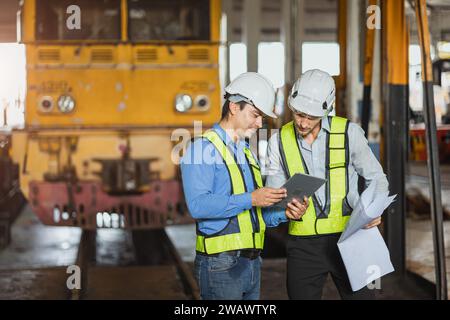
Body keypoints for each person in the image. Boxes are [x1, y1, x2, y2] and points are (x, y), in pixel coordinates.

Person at [180, 72, 308, 300]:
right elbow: (198, 206)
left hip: (251, 263)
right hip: (220, 265)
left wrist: (285, 212)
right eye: (255, 115)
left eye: (262, 118)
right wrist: (251, 198)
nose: (259, 123)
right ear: (233, 107)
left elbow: (256, 215)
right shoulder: (201, 149)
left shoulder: (246, 154)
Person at [265, 69, 389, 300]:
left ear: (326, 109)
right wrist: (285, 210)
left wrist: (375, 208)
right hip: (303, 247)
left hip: (351, 238)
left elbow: (377, 179)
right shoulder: (278, 141)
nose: (302, 122)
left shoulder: (349, 133)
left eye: (310, 117)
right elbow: (272, 203)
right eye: (298, 114)